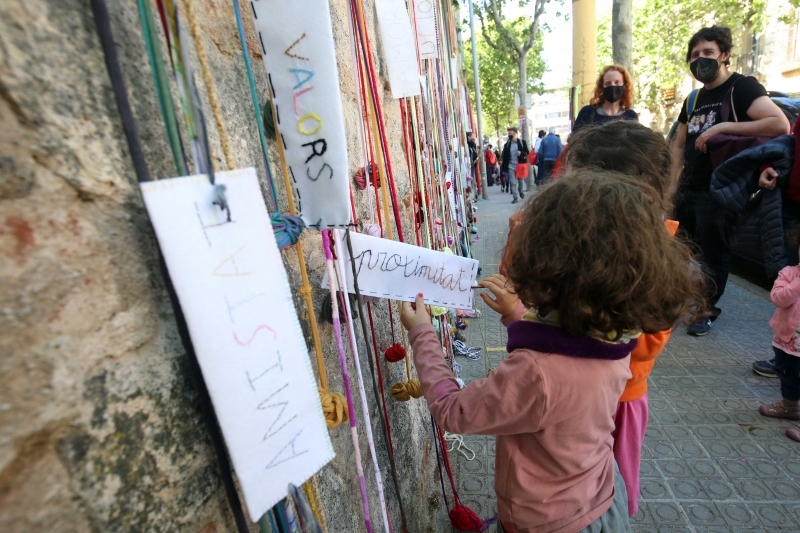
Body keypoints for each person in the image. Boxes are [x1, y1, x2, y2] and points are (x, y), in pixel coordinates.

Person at [401, 171, 700, 533]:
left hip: (545, 522)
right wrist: (516, 316)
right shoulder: (618, 335)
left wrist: (422, 334)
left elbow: (453, 411)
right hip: (601, 499)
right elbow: (567, 355)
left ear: (545, 261)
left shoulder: (535, 372)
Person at [670, 25, 790, 336]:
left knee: (714, 252)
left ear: (725, 55)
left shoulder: (743, 88)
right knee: (677, 247)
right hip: (690, 186)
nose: (701, 59)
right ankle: (676, 300)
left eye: (708, 53)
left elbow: (779, 123)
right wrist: (670, 187)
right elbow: (679, 145)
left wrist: (723, 127)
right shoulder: (693, 97)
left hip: (721, 187)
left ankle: (706, 310)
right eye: (695, 55)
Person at [758, 233, 800, 442]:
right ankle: (789, 404)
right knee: (786, 373)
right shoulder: (789, 274)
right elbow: (778, 299)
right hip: (787, 342)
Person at [573, 65, 639, 133]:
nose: (612, 85)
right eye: (608, 83)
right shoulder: (587, 113)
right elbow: (575, 141)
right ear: (601, 87)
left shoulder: (631, 116)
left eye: (617, 82)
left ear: (624, 86)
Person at [500, 126, 529, 204]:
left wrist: (521, 153)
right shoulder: (507, 145)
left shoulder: (522, 142)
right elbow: (505, 156)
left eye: (510, 133)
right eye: (508, 133)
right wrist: (503, 166)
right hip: (511, 165)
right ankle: (515, 197)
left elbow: (527, 152)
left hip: (520, 165)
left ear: (515, 133)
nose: (509, 135)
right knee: (512, 182)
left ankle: (520, 191)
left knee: (521, 182)